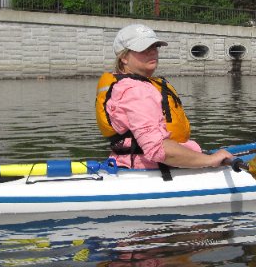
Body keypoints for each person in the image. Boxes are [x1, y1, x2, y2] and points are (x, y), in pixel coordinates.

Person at [96, 23, 234, 169]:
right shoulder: (136, 90)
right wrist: (210, 160)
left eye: (154, 47)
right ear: (124, 57)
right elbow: (157, 149)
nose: (152, 52)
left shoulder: (125, 85)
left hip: (128, 163)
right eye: (143, 48)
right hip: (153, 168)